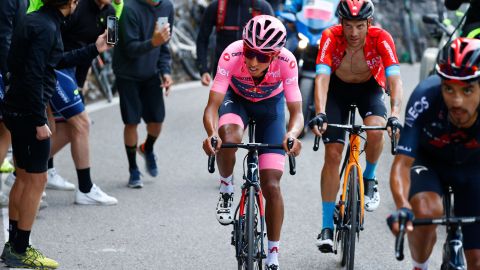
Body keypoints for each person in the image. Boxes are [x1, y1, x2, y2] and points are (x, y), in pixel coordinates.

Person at [1, 0, 111, 267]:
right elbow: (35, 74)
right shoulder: (48, 28)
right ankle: (21, 248)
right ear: (72, 3)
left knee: (24, 177)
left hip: (15, 108)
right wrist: (39, 119)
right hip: (29, 113)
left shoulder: (34, 18)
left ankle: (13, 245)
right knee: (35, 182)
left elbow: (51, 61)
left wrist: (93, 49)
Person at [202, 15, 303, 269]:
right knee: (229, 138)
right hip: (237, 100)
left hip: (271, 108)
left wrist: (292, 135)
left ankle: (273, 254)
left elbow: (297, 112)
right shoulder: (231, 54)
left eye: (263, 56)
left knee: (271, 184)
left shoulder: (287, 61)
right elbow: (212, 107)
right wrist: (212, 133)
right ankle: (226, 188)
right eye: (250, 52)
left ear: (275, 55)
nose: (253, 61)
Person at [308, 0, 403, 253]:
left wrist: (394, 113)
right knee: (333, 153)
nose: (353, 33)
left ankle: (369, 177)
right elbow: (322, 77)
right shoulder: (330, 36)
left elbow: (394, 78)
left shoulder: (381, 37)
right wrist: (319, 112)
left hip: (368, 88)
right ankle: (327, 226)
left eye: (359, 26)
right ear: (341, 23)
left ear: (368, 23)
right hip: (336, 92)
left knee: (375, 129)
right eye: (348, 26)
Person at [387, 37, 480, 270]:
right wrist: (402, 206)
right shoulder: (425, 96)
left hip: (472, 166)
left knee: (477, 259)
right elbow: (401, 165)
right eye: (449, 88)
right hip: (430, 160)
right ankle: (420, 265)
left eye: (468, 89)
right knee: (426, 211)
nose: (457, 101)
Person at [113, 0, 174, 188]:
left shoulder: (166, 7)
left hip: (151, 73)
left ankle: (147, 147)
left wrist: (165, 71)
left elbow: (164, 46)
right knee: (131, 122)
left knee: (157, 122)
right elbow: (131, 49)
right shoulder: (130, 8)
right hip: (127, 74)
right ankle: (133, 170)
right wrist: (153, 42)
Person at [195, 0, 273, 87]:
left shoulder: (262, 8)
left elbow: (275, 42)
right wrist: (204, 70)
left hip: (255, 75)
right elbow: (202, 39)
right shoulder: (217, 7)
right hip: (224, 74)